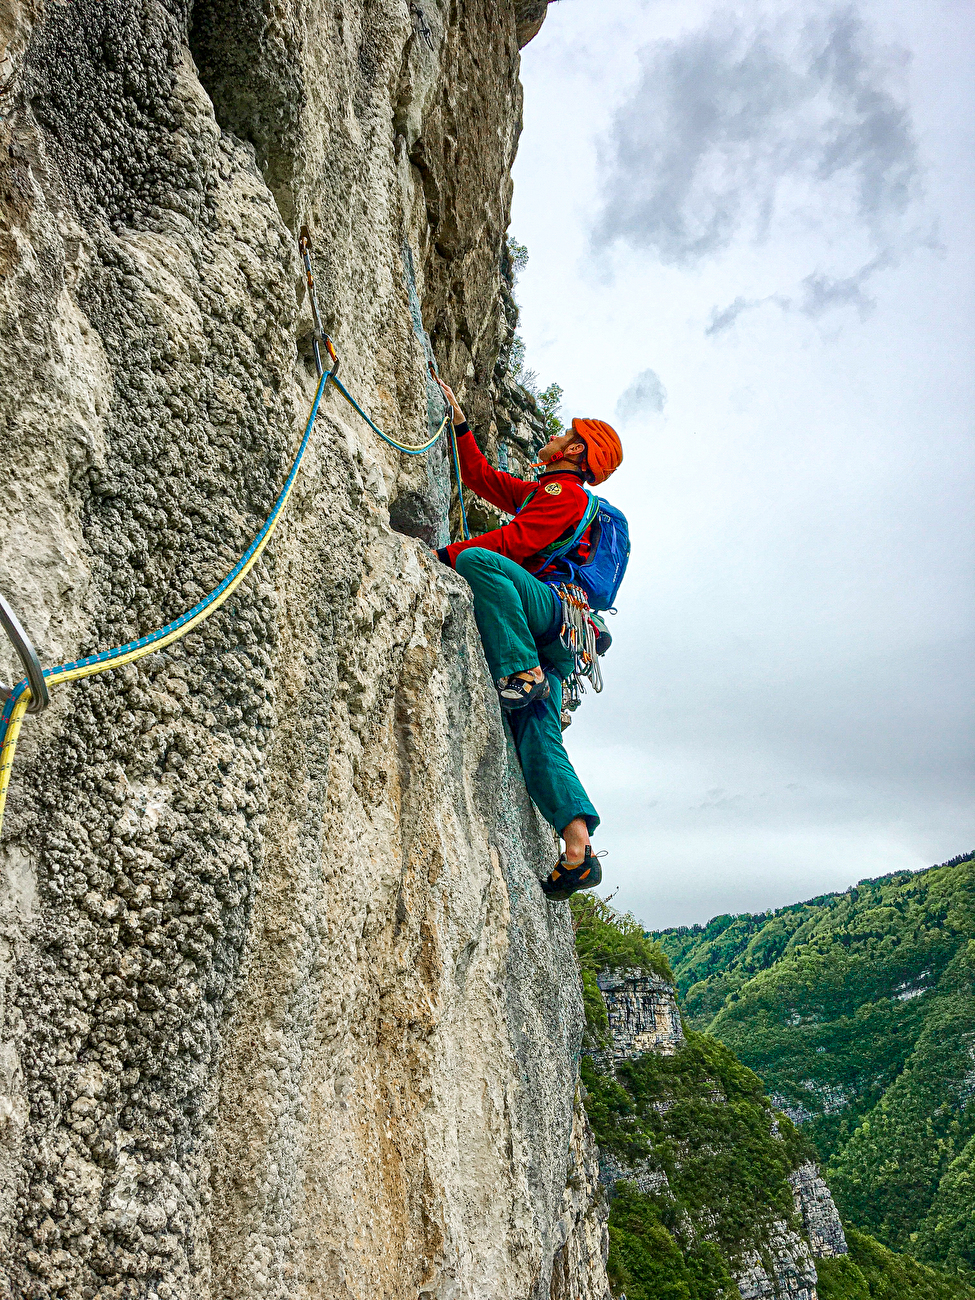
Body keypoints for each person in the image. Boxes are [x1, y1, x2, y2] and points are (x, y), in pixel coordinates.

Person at [430, 371, 623, 900]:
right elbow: (486, 483)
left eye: (566, 433)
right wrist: (462, 426)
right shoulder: (550, 491)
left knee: (477, 560)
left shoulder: (563, 493)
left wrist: (441, 558)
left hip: (550, 615)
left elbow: (513, 544)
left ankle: (520, 669)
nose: (556, 436)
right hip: (560, 635)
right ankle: (577, 849)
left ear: (576, 451)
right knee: (538, 732)